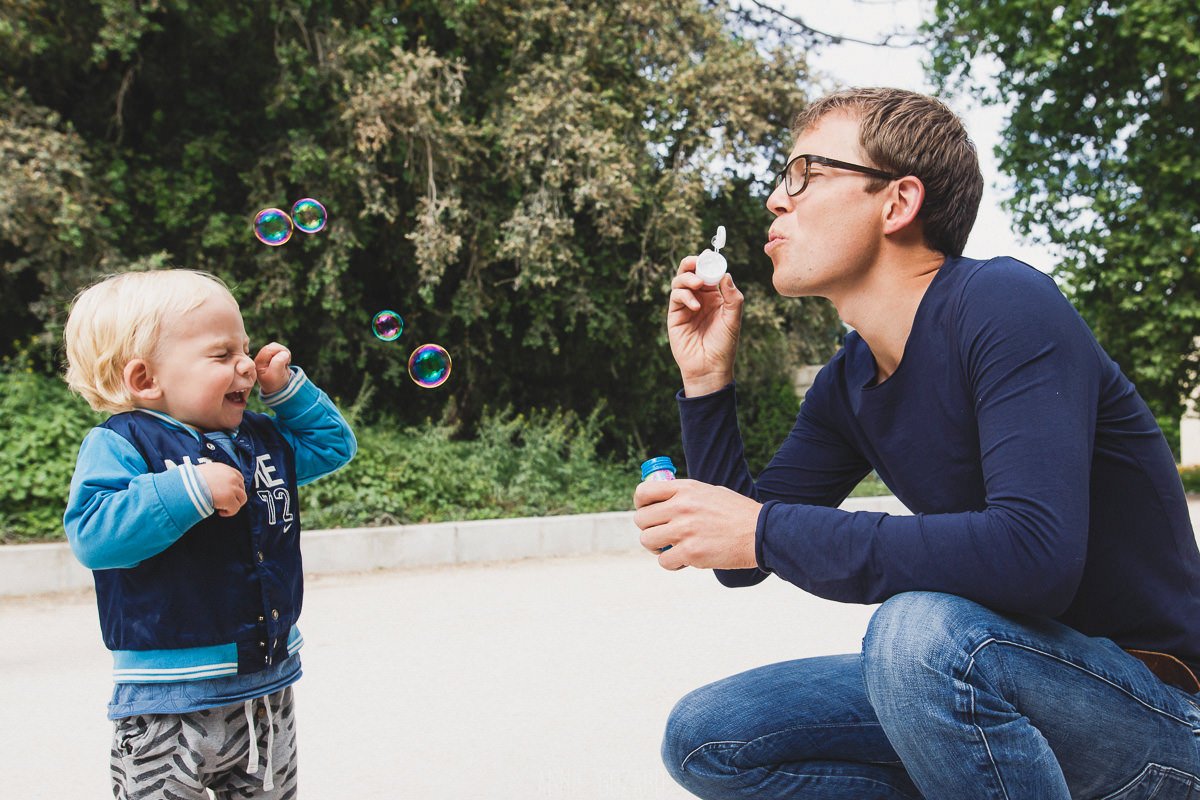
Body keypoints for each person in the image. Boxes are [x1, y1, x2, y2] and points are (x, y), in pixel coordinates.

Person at [634, 87, 1200, 799]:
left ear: (898, 203)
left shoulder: (1003, 306)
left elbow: (1035, 556)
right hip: (1000, 681)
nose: (778, 200)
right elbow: (744, 559)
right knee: (713, 735)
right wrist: (707, 382)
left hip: (1157, 712)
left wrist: (763, 529)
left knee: (917, 634)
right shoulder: (849, 380)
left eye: (805, 173)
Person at [62, 269, 357, 799]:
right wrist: (188, 490)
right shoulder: (123, 442)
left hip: (267, 693)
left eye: (244, 349)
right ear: (145, 379)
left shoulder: (261, 439)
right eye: (222, 355)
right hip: (169, 701)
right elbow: (92, 534)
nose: (246, 364)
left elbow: (334, 447)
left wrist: (288, 393)